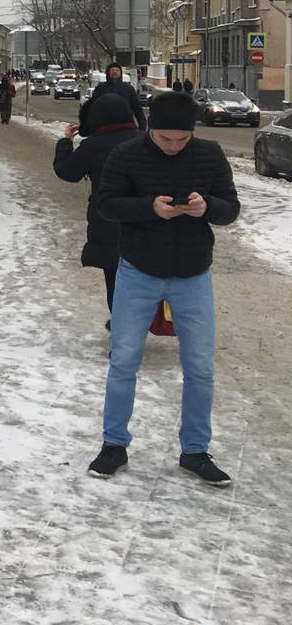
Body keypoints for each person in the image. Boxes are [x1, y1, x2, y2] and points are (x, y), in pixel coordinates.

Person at [87, 91, 240, 486]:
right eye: (165, 139)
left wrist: (207, 207)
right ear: (150, 129)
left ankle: (195, 451)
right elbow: (106, 204)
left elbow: (231, 208)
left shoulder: (210, 155)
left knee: (200, 368)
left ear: (192, 133)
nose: (173, 146)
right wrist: (148, 208)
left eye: (181, 140)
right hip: (138, 271)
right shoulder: (126, 154)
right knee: (123, 362)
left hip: (193, 275)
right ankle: (113, 445)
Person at [53, 94, 143, 323]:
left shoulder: (93, 145)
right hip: (144, 219)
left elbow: (67, 171)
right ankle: (137, 324)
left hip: (108, 221)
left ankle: (124, 331)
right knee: (144, 277)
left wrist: (65, 142)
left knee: (115, 278)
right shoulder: (144, 141)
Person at [90, 63, 146, 131]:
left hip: (126, 125)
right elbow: (93, 108)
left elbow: (137, 108)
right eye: (112, 70)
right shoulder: (100, 89)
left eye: (117, 70)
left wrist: (142, 126)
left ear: (120, 73)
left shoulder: (128, 89)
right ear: (108, 72)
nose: (115, 72)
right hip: (105, 125)